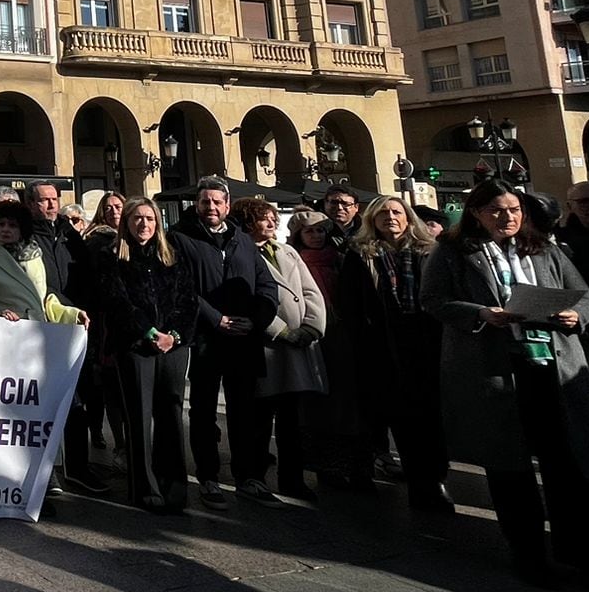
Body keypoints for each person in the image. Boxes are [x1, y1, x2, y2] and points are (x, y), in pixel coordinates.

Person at [422, 178, 589, 592]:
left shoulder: (545, 248)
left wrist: (575, 316)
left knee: (570, 464)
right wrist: (480, 313)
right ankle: (529, 556)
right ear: (475, 213)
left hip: (555, 368)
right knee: (510, 469)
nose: (506, 217)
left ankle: (585, 557)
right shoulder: (455, 252)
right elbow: (433, 299)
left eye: (512, 209)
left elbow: (588, 298)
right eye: (495, 210)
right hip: (497, 370)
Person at [171, 177, 278, 505]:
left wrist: (256, 319)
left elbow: (265, 284)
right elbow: (182, 286)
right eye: (206, 202)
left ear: (227, 205)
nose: (212, 207)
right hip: (205, 338)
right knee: (203, 411)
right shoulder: (179, 237)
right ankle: (209, 477)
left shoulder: (242, 240)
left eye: (218, 202)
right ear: (197, 204)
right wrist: (216, 319)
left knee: (245, 411)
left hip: (244, 339)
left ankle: (249, 476)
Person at [343, 196, 452, 513]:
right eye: (383, 214)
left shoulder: (430, 251)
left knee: (433, 418)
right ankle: (421, 484)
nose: (390, 217)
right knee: (404, 419)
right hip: (384, 346)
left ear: (408, 218)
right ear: (371, 221)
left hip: (428, 342)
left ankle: (437, 478)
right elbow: (349, 303)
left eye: (396, 212)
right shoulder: (360, 254)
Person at [92, 197, 197, 513]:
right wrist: (149, 333)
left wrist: (174, 335)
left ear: (158, 223)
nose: (144, 225)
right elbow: (118, 303)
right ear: (126, 222)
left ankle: (175, 487)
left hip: (174, 347)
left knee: (171, 414)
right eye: (137, 218)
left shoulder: (173, 256)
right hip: (136, 346)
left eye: (150, 219)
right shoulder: (111, 258)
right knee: (138, 415)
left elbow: (188, 300)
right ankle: (145, 488)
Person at [230, 198, 326, 500]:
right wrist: (281, 331)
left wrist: (311, 326)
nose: (273, 223)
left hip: (299, 345)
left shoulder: (287, 250)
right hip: (268, 346)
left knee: (293, 421)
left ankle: (292, 478)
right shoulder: (239, 253)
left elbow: (310, 291)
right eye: (264, 219)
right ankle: (255, 476)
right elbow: (245, 298)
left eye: (274, 218)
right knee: (260, 419)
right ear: (248, 223)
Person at [25, 179, 105, 494]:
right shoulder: (27, 236)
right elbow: (36, 284)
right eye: (44, 200)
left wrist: (84, 309)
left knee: (79, 399)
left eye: (54, 199)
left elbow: (85, 274)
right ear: (31, 203)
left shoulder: (70, 234)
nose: (51, 205)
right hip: (44, 326)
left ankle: (78, 466)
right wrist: (65, 307)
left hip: (76, 324)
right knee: (47, 400)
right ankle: (48, 470)